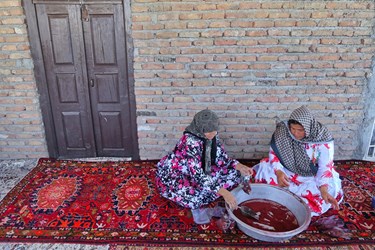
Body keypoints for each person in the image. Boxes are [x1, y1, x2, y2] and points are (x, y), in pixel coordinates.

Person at [155, 109, 253, 224]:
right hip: (177, 175)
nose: (214, 134)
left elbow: (222, 159)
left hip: (202, 171)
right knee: (194, 198)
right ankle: (202, 202)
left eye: (215, 130)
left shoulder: (212, 136)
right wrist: (224, 192)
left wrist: (240, 166)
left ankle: (209, 193)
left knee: (236, 175)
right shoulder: (190, 142)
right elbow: (198, 177)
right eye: (209, 131)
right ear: (201, 129)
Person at [253, 105, 344, 216]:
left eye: (300, 130)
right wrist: (279, 172)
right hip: (286, 169)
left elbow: (325, 167)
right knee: (265, 171)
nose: (295, 133)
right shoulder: (283, 131)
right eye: (293, 129)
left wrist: (323, 189)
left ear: (308, 127)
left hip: (311, 175)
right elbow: (273, 153)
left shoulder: (322, 139)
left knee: (323, 194)